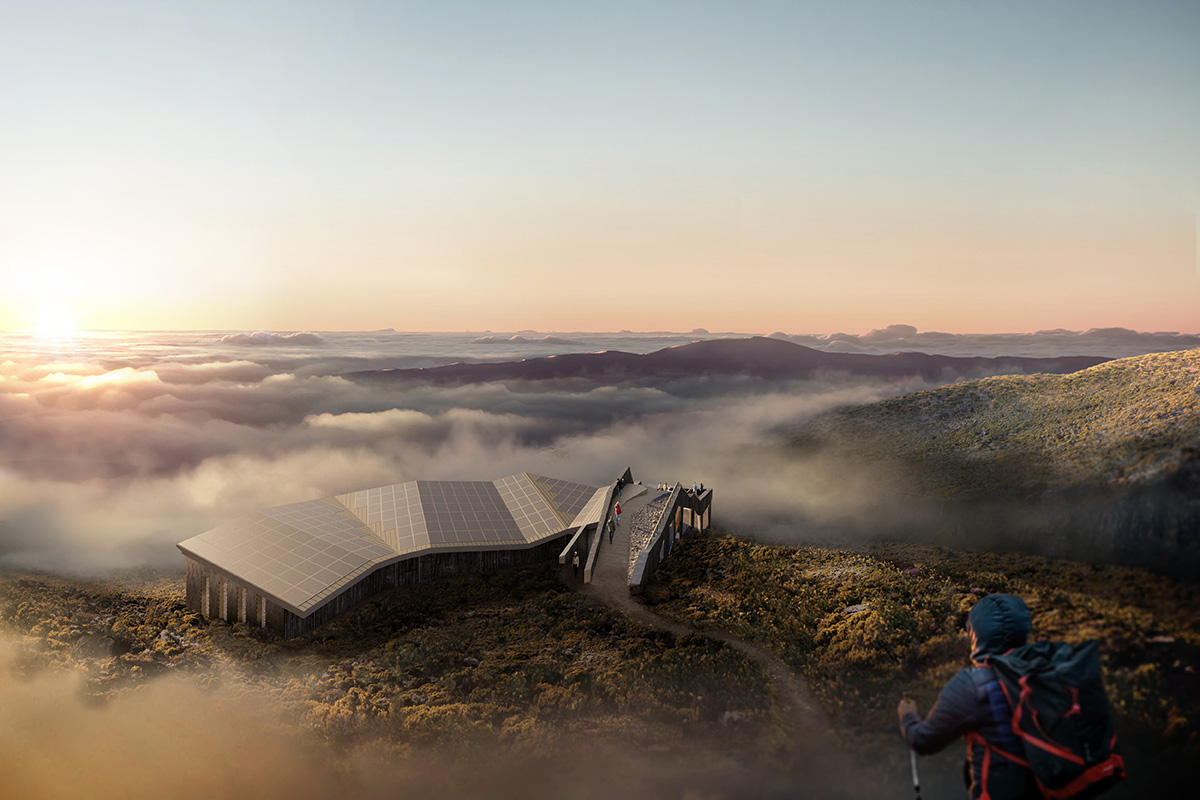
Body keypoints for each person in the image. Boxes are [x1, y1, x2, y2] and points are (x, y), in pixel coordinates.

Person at [898, 593, 1040, 800]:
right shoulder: (1046, 669)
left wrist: (907, 715)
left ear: (976, 633)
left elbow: (923, 740)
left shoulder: (973, 684)